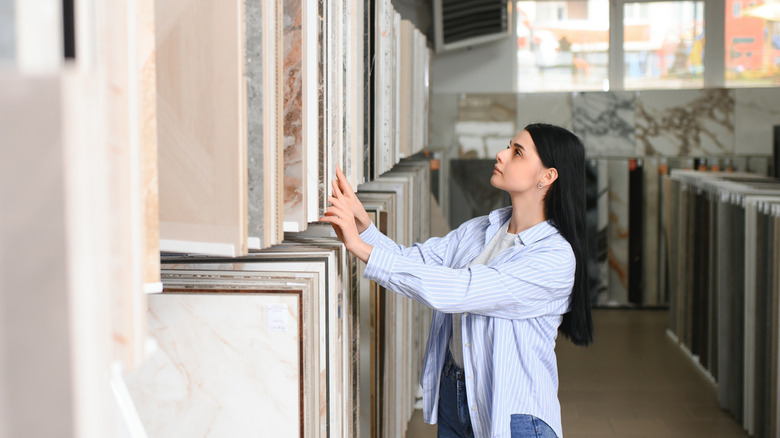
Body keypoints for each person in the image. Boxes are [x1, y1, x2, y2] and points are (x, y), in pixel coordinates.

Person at [319, 123, 593, 438]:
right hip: (456, 393)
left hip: (513, 414)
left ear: (547, 177)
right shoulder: (482, 229)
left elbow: (460, 290)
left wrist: (360, 247)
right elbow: (416, 261)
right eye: (508, 146)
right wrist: (364, 226)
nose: (501, 155)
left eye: (517, 152)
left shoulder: (554, 258)